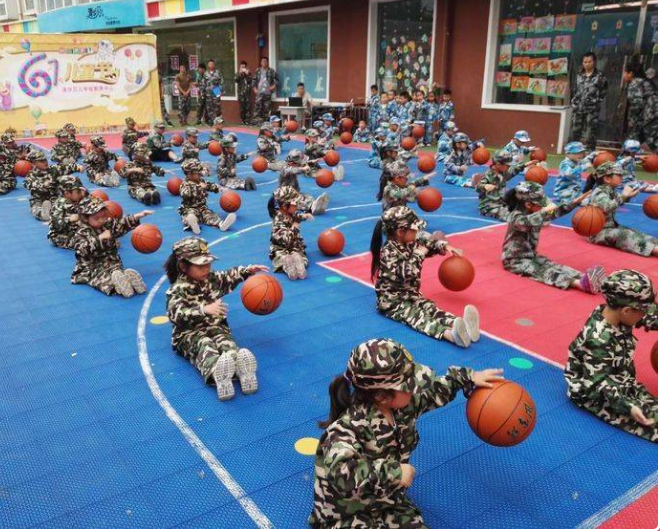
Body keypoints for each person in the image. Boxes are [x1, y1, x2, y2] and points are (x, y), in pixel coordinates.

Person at [309, 337, 503, 528]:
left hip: (388, 502)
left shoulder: (403, 407)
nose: (415, 389)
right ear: (381, 395)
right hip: (346, 514)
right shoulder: (348, 427)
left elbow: (434, 390)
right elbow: (342, 473)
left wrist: (466, 377)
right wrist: (395, 473)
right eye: (408, 386)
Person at [164, 236, 269, 401]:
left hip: (215, 327)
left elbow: (229, 276)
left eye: (208, 263)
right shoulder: (178, 289)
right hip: (189, 333)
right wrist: (203, 310)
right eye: (200, 265)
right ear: (183, 266)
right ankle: (218, 376)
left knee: (227, 344)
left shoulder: (212, 278)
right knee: (205, 346)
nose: (206, 268)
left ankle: (242, 370)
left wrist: (248, 271)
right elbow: (174, 314)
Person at [566, 269, 657, 442]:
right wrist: (628, 407)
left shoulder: (616, 313)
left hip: (622, 382)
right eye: (642, 311)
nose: (645, 314)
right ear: (627, 311)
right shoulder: (598, 339)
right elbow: (597, 384)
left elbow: (649, 316)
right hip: (597, 394)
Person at [370, 206, 479, 348]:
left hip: (411, 295)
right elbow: (407, 273)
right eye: (414, 230)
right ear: (400, 232)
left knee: (429, 308)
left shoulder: (408, 240)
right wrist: (419, 253)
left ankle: (459, 324)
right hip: (392, 302)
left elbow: (427, 239)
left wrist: (444, 246)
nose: (417, 232)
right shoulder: (388, 252)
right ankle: (450, 335)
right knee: (417, 316)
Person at [502, 181, 605, 294]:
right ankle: (579, 283)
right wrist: (546, 210)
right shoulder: (516, 217)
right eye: (541, 204)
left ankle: (585, 277)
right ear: (528, 205)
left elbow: (556, 212)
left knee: (552, 265)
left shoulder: (535, 213)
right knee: (543, 272)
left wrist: (575, 202)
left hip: (531, 256)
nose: (543, 206)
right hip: (514, 261)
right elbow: (531, 220)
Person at [69, 196, 153, 297]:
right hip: (91, 268)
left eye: (104, 216)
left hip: (111, 263)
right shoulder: (82, 232)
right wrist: (99, 238)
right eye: (96, 218)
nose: (101, 220)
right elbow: (81, 250)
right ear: (85, 218)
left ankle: (129, 280)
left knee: (117, 272)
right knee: (103, 279)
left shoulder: (107, 224)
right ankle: (117, 287)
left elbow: (121, 224)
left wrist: (138, 216)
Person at [583, 162, 658, 257]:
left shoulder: (610, 190)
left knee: (634, 232)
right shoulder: (599, 191)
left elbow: (619, 201)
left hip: (609, 228)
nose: (622, 177)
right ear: (607, 179)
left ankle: (656, 243)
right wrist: (624, 196)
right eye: (618, 175)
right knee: (624, 234)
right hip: (597, 233)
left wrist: (628, 196)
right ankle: (655, 250)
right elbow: (606, 207)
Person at [476, 150, 536, 221]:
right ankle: (524, 220)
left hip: (501, 202)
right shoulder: (489, 175)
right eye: (507, 165)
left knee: (519, 193)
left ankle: (529, 211)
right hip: (489, 206)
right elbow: (478, 186)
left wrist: (525, 165)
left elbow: (513, 171)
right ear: (498, 164)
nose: (509, 166)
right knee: (506, 214)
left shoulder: (503, 172)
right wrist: (484, 186)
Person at [179, 159, 236, 234]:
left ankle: (221, 224)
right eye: (197, 173)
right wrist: (199, 187)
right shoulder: (185, 184)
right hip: (189, 208)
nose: (200, 174)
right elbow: (185, 194)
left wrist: (219, 188)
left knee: (210, 215)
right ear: (189, 174)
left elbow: (209, 185)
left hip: (202, 208)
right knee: (189, 216)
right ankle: (194, 225)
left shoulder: (200, 180)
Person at [24, 150, 83, 221]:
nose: (45, 162)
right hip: (39, 200)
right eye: (41, 161)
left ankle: (59, 212)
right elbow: (27, 184)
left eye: (45, 160)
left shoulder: (53, 169)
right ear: (34, 163)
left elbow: (66, 167)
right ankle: (44, 213)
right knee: (37, 210)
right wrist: (42, 185)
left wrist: (77, 167)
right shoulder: (31, 175)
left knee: (65, 206)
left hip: (54, 198)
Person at [268, 186, 312, 280]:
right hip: (280, 246)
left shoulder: (289, 213)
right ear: (285, 206)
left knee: (300, 255)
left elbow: (297, 216)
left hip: (294, 245)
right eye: (295, 204)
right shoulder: (278, 220)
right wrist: (295, 228)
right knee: (280, 258)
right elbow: (285, 240)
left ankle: (300, 265)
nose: (297, 206)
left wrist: (305, 216)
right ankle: (287, 267)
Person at [569, 52, 608, 152]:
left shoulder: (600, 76)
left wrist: (596, 101)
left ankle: (590, 152)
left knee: (590, 132)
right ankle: (573, 151)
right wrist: (574, 102)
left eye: (589, 61)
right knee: (575, 131)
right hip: (578, 107)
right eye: (585, 62)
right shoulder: (579, 75)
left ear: (594, 62)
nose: (587, 64)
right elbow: (574, 89)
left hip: (592, 109)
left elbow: (604, 91)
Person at [279, 149, 330, 215]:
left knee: (309, 197)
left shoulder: (293, 164)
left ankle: (314, 205)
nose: (300, 164)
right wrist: (303, 169)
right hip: (285, 196)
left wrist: (313, 161)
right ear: (293, 162)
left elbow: (304, 163)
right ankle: (311, 207)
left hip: (294, 193)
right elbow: (293, 170)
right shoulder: (285, 168)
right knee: (299, 201)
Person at [623, 62, 658, 152]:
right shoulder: (645, 81)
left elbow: (637, 104)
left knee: (651, 142)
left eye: (625, 72)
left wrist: (632, 121)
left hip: (652, 115)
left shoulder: (634, 83)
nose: (624, 75)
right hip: (654, 114)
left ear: (630, 74)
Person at [48, 175, 87, 250]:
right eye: (78, 191)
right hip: (62, 234)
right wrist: (69, 219)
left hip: (78, 230)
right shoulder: (59, 204)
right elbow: (56, 224)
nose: (81, 193)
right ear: (67, 194)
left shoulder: (79, 199)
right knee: (85, 244)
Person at [252, 57, 279, 124]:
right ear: (261, 62)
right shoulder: (258, 70)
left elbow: (277, 79)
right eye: (263, 61)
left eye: (265, 61)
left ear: (267, 62)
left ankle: (266, 122)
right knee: (257, 106)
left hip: (267, 92)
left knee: (267, 108)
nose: (264, 62)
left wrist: (273, 86)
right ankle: (257, 121)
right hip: (259, 92)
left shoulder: (271, 71)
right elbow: (254, 80)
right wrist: (254, 89)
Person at [204, 59, 224, 125]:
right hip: (208, 92)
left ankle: (219, 121)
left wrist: (220, 90)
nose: (211, 65)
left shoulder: (218, 72)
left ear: (214, 65)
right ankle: (211, 121)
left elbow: (221, 82)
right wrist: (202, 91)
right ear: (208, 65)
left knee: (217, 106)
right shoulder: (206, 73)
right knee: (209, 107)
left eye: (212, 64)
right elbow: (203, 83)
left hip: (216, 90)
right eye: (210, 64)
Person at [234, 60, 253, 125]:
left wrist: (247, 74)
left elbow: (250, 81)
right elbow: (236, 80)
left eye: (244, 67)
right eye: (242, 67)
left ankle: (247, 121)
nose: (243, 68)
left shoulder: (249, 73)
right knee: (242, 108)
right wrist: (240, 74)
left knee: (248, 107)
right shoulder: (237, 73)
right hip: (241, 94)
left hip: (247, 94)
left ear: (246, 67)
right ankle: (242, 120)